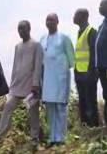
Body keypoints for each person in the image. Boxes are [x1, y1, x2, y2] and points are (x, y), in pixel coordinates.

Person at [0, 20, 43, 145]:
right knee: (8, 107)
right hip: (16, 86)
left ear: (29, 28)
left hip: (30, 86)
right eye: (19, 29)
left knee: (33, 112)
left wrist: (35, 84)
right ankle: (0, 136)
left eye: (23, 29)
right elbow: (15, 66)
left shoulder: (36, 45)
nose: (21, 31)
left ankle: (34, 138)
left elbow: (38, 66)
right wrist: (11, 84)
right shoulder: (17, 46)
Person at [40, 13, 75, 148]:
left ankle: (61, 138)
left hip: (60, 78)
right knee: (50, 108)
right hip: (48, 78)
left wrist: (61, 68)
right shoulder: (43, 39)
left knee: (60, 108)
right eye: (47, 20)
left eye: (52, 20)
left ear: (57, 22)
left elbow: (71, 61)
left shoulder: (64, 38)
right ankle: (52, 138)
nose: (49, 22)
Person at [73, 8, 99, 127]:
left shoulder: (91, 31)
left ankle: (93, 128)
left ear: (83, 17)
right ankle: (85, 128)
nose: (73, 17)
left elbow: (94, 54)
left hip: (88, 74)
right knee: (83, 103)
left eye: (76, 15)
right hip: (80, 74)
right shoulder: (80, 32)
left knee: (90, 103)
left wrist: (91, 72)